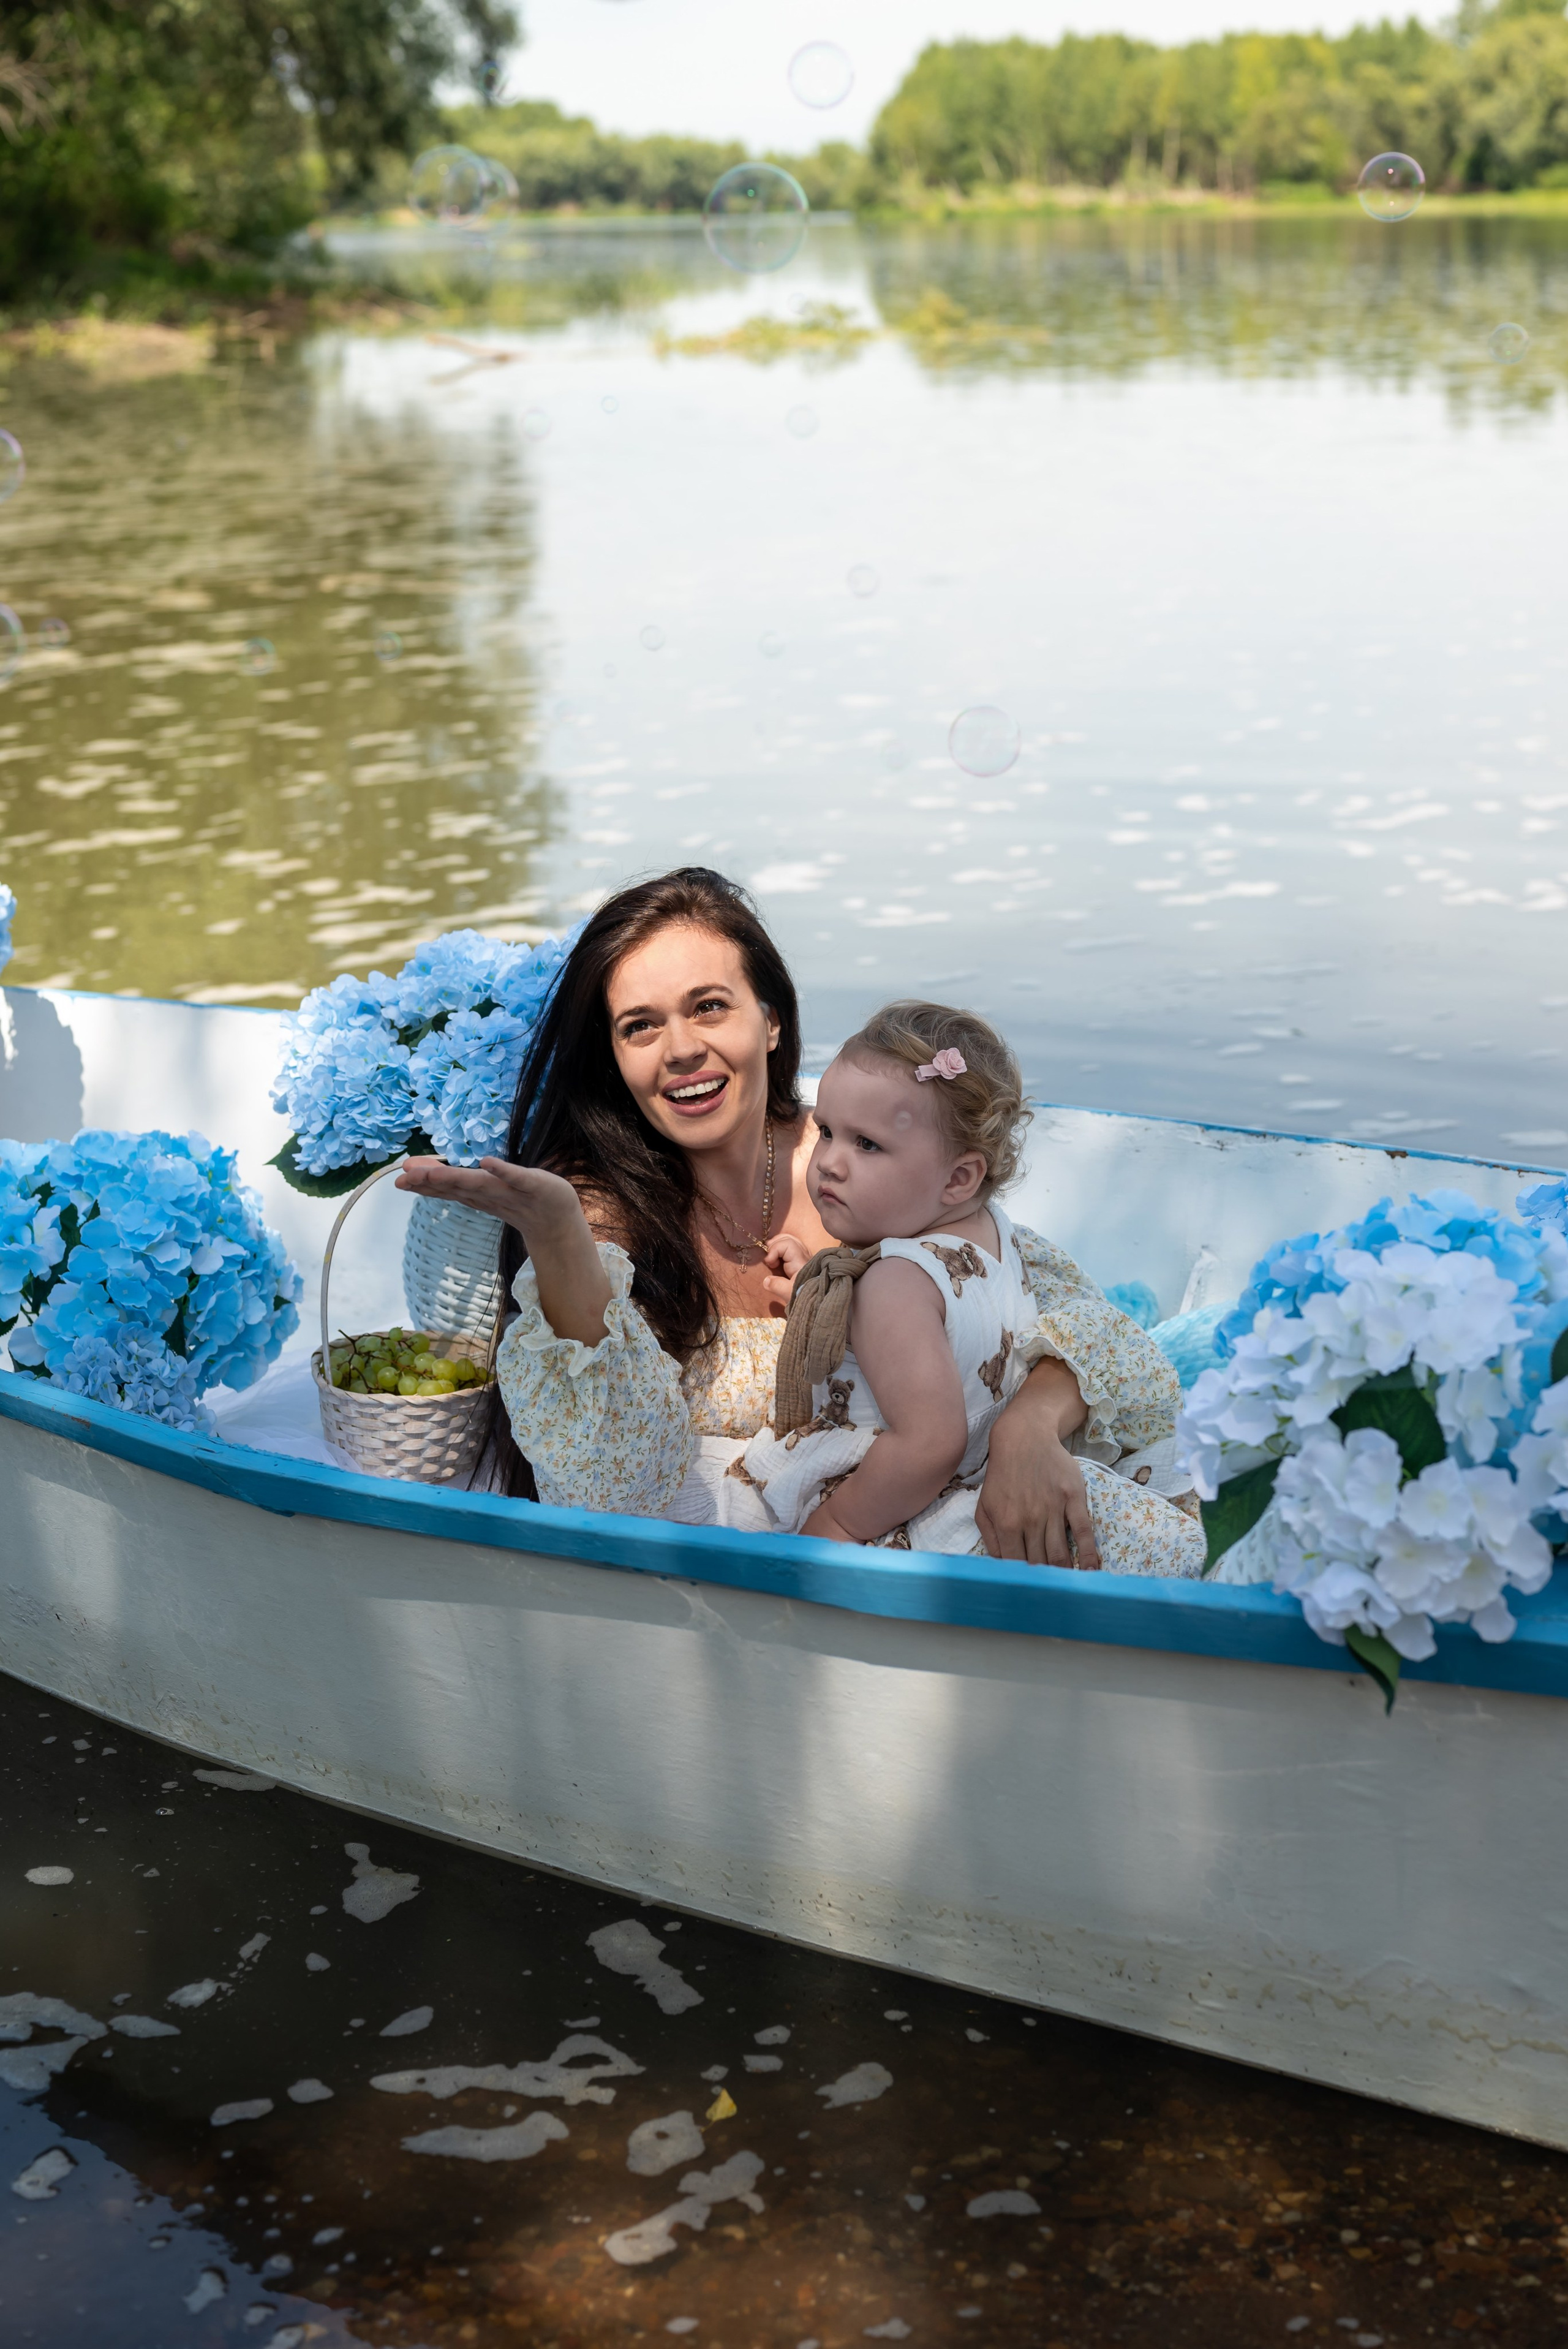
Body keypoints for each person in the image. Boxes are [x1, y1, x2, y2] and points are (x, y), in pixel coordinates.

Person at [395, 866, 1199, 1573]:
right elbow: (604, 1481)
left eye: (709, 1006)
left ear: (770, 1019)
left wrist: (1031, 1424)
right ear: (615, 1055)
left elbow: (1064, 1312)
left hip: (930, 1524)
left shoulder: (865, 1154)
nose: (680, 1048)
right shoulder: (602, 1208)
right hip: (789, 1562)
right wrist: (560, 1234)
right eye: (641, 1025)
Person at [719, 1000, 1198, 1565]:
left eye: (866, 1144)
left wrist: (838, 1524)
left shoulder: (894, 1286)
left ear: (959, 1177)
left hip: (906, 1499)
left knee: (726, 1503)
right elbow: (957, 1321)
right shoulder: (994, 1232)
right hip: (982, 1465)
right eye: (827, 1131)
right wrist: (820, 1281)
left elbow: (928, 1444)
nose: (829, 1162)